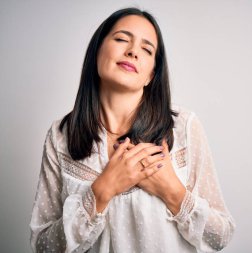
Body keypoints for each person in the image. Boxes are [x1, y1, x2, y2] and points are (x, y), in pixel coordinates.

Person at [29, 7, 235, 253]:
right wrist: (102, 191)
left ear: (151, 75)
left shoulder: (183, 127)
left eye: (147, 49)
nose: (132, 51)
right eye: (121, 39)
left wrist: (172, 191)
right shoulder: (61, 135)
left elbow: (220, 235)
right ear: (97, 51)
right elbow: (42, 246)